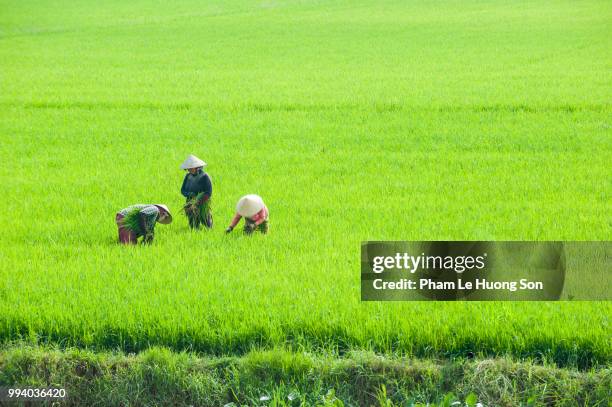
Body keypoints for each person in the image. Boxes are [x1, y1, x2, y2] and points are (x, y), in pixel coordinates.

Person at [180, 154, 213, 229]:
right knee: (193, 224)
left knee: (207, 223)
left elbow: (208, 193)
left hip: (202, 203)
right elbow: (182, 190)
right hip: (190, 202)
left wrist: (197, 202)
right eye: (188, 169)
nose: (189, 170)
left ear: (197, 168)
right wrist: (189, 194)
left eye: (191, 168)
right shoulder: (188, 176)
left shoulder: (205, 177)